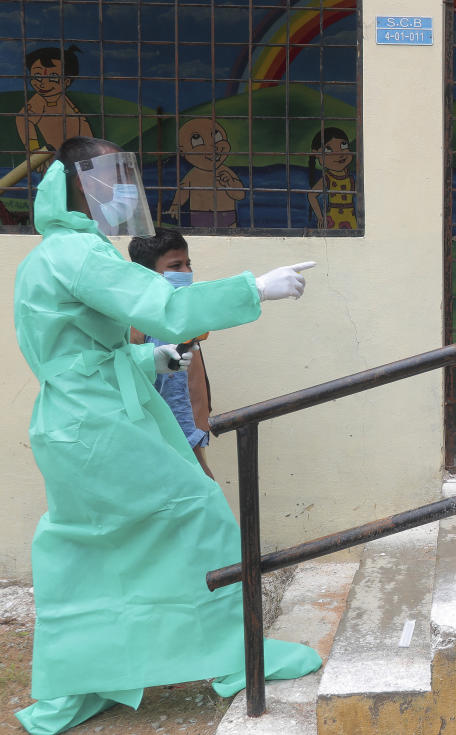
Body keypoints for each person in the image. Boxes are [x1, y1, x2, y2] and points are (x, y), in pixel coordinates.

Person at [13, 136, 320, 735]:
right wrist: (253, 289)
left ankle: (77, 680)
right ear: (80, 182)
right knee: (196, 513)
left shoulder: (48, 256)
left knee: (86, 548)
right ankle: (235, 660)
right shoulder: (79, 254)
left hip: (69, 422)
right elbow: (163, 307)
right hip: (100, 425)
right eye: (112, 175)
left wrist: (151, 364)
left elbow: (70, 359)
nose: (125, 187)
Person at [128, 227, 216, 479]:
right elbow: (174, 392)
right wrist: (192, 451)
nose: (187, 272)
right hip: (179, 440)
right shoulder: (162, 322)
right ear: (146, 273)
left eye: (188, 264)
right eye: (176, 266)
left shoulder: (146, 312)